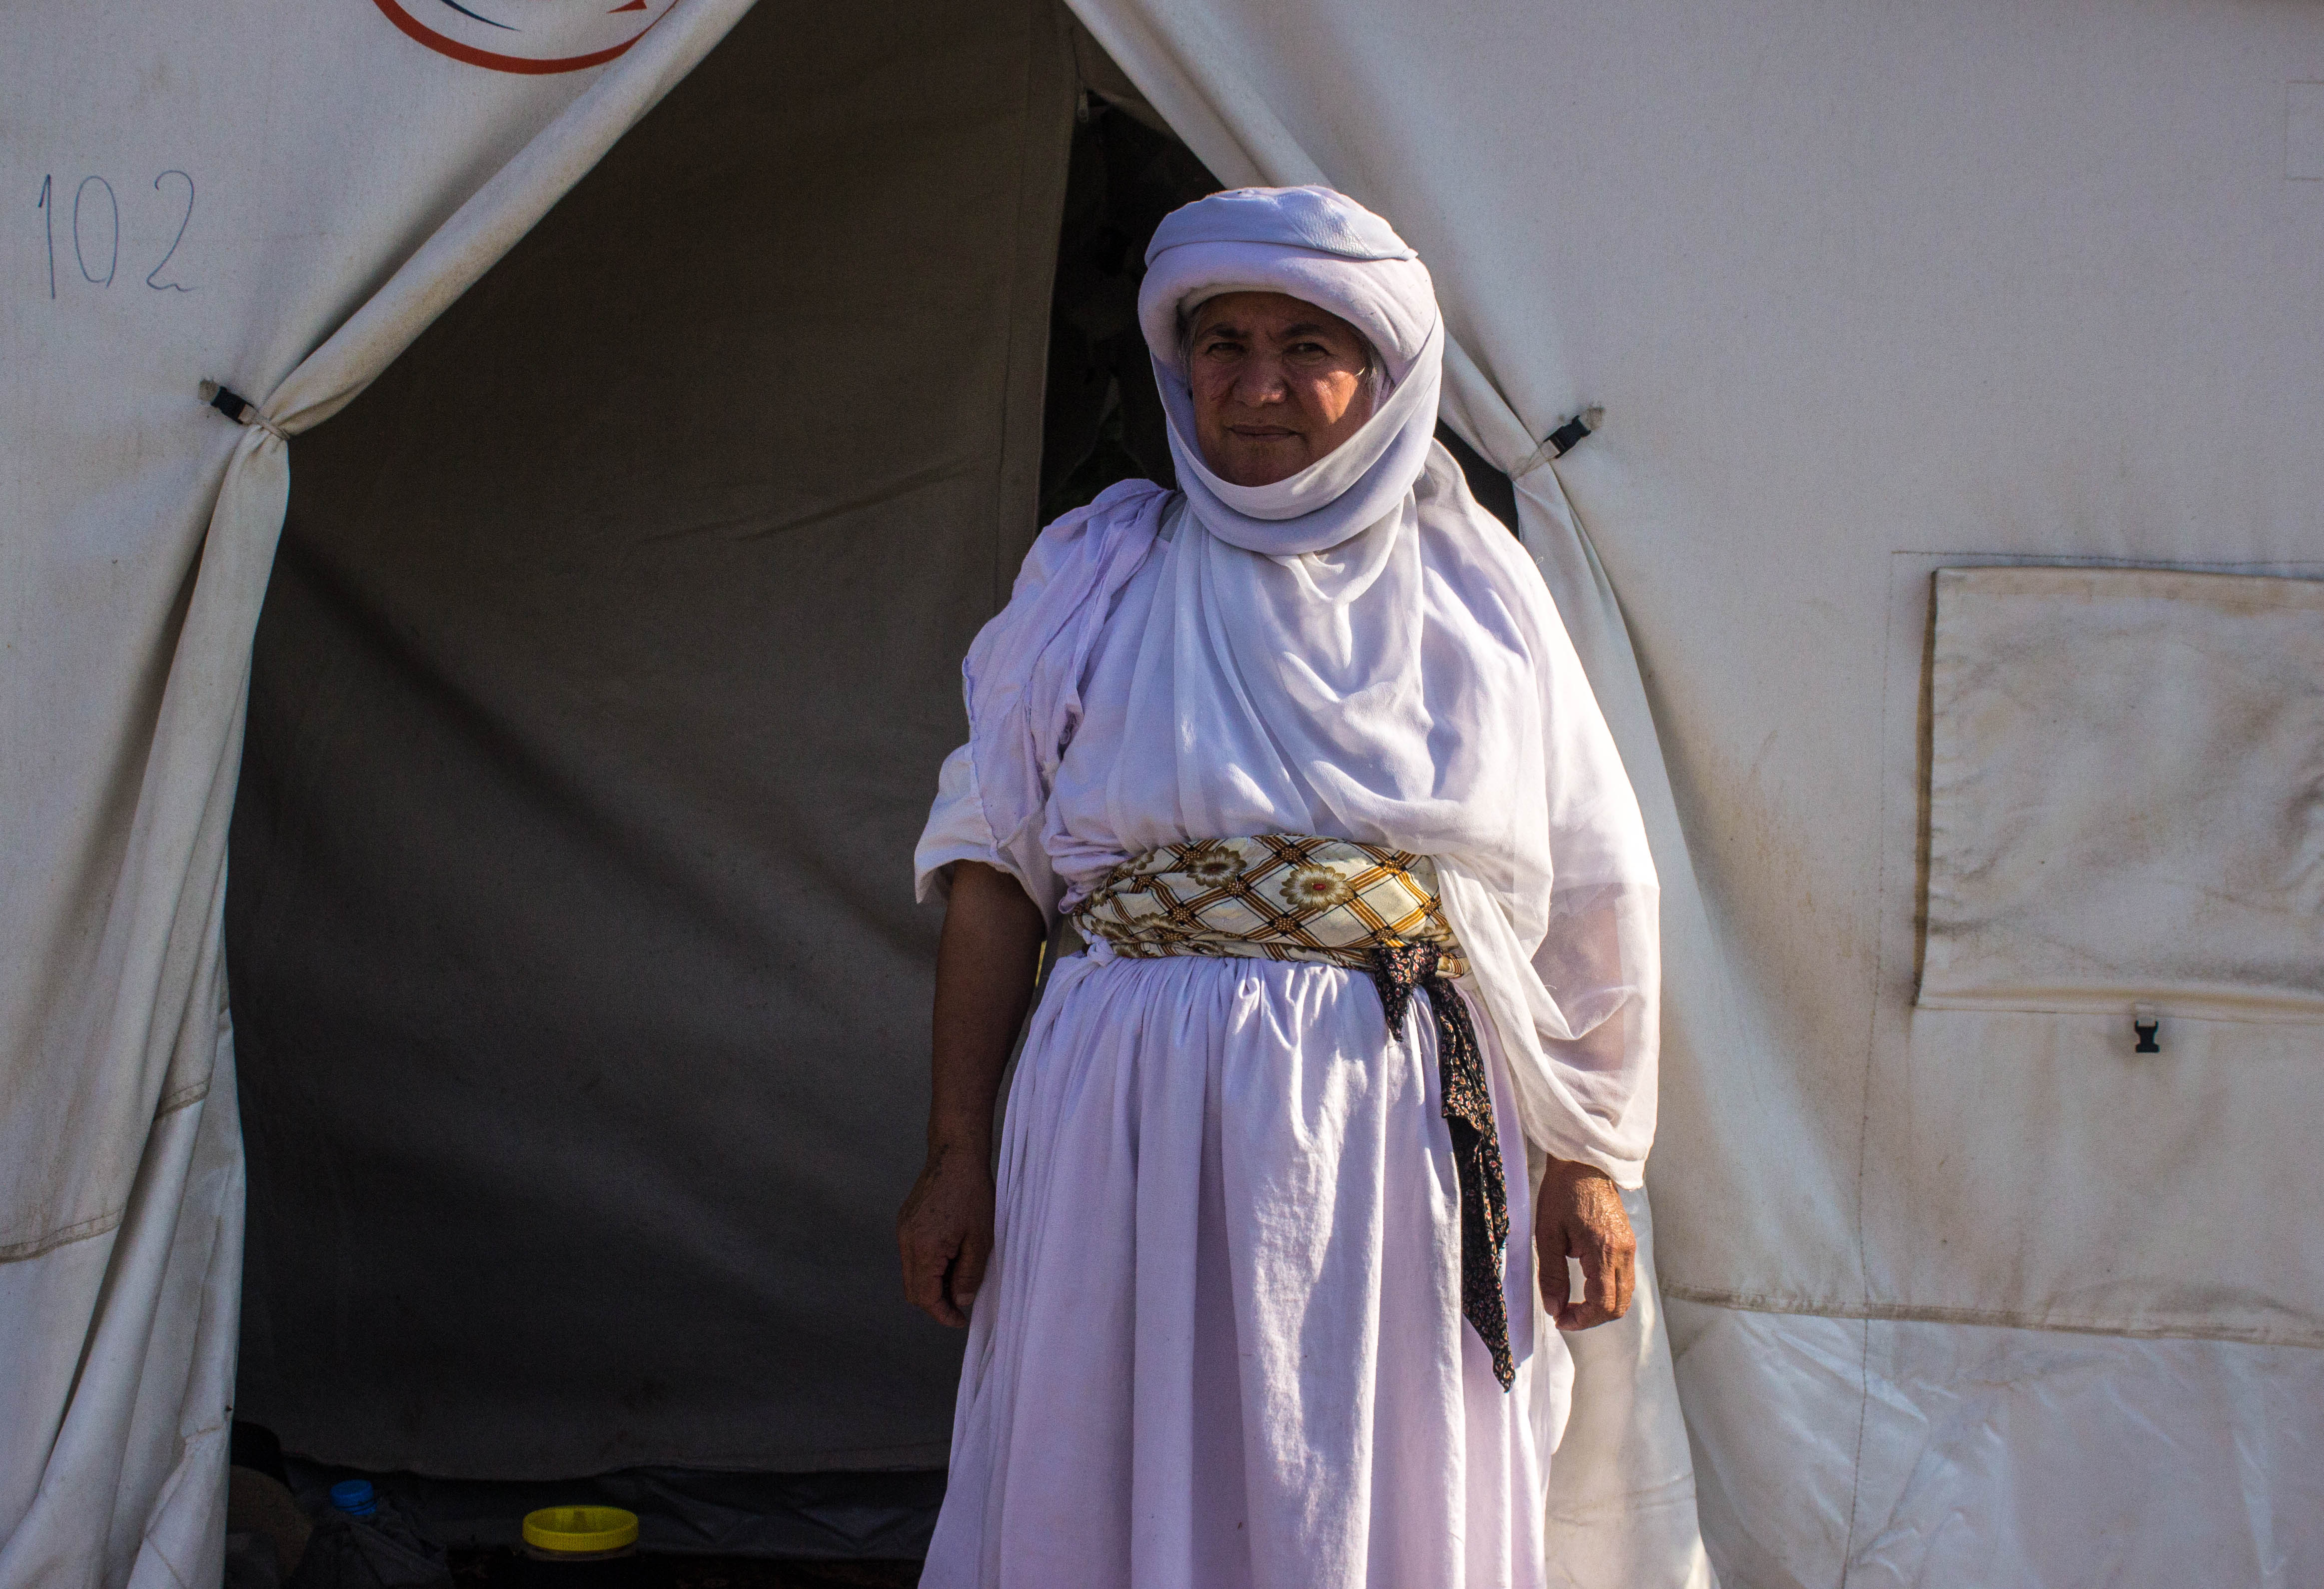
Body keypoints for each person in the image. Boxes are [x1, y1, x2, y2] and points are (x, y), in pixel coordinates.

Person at [898, 185, 1660, 1588]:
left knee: (1361, 1472)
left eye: (1306, 345)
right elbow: (992, 874)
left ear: (1380, 374)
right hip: (1113, 1109)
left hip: (1386, 1136)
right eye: (1223, 341)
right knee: (1100, 1455)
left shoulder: (1476, 588)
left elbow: (1595, 884)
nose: (1256, 386)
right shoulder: (1096, 572)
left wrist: (1592, 1160)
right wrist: (956, 1150)